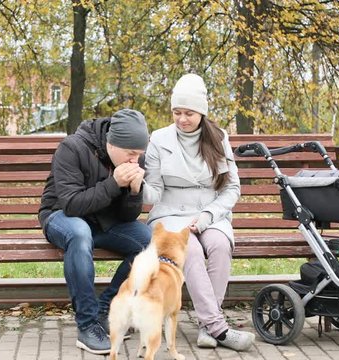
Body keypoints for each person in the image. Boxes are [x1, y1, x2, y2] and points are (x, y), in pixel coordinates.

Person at [142, 74, 256, 351]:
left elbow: (232, 189)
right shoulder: (159, 138)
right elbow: (154, 192)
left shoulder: (218, 138)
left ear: (202, 113)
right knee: (189, 250)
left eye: (189, 113)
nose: (182, 119)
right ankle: (218, 327)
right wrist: (137, 186)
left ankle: (207, 326)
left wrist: (207, 216)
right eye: (177, 112)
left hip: (209, 212)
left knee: (218, 245)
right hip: (169, 213)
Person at [38, 108, 151, 355]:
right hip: (61, 216)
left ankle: (106, 310)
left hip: (102, 222)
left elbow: (126, 217)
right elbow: (71, 204)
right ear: (113, 143)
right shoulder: (72, 148)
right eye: (131, 154)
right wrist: (113, 184)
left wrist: (134, 192)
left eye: (140, 155)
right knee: (79, 234)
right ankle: (87, 325)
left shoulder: (134, 159)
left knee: (148, 244)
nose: (135, 160)